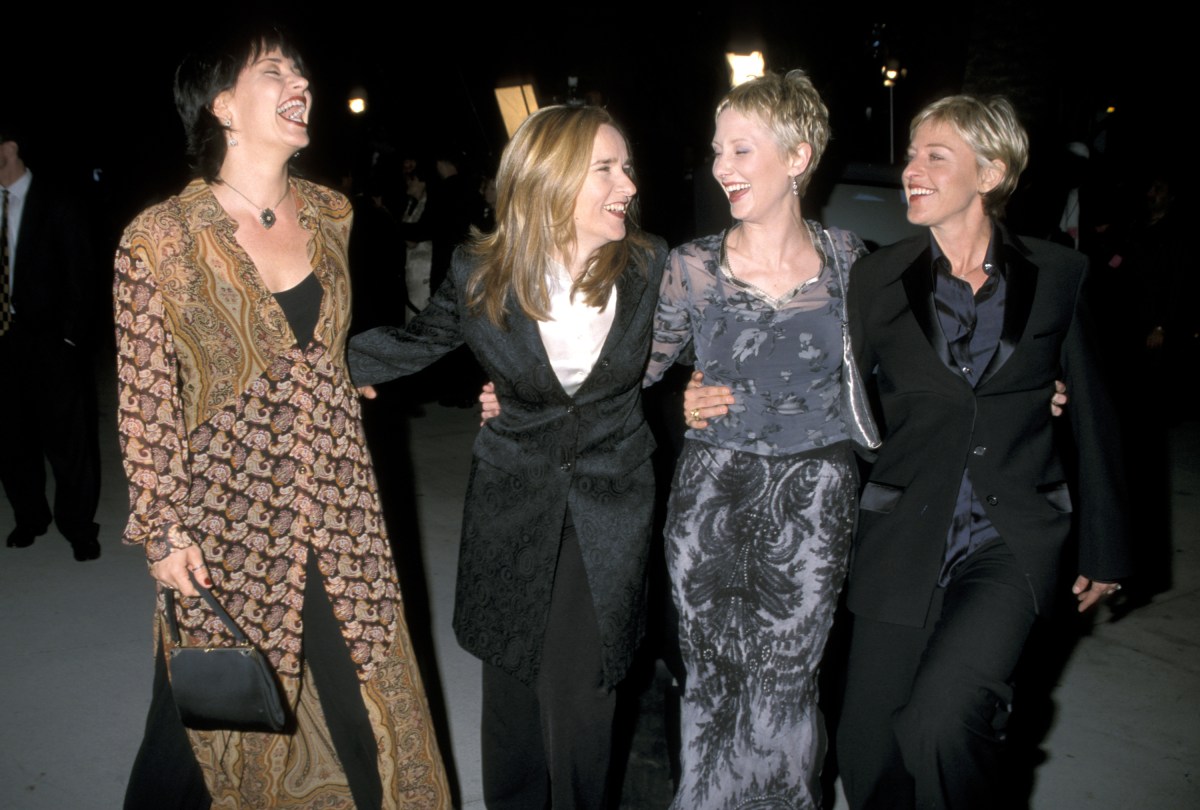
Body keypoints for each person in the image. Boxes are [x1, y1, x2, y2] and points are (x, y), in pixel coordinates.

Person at [114, 26, 449, 810]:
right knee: (207, 720)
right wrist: (163, 529)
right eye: (275, 70)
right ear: (224, 105)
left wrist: (335, 383)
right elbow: (146, 399)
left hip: (339, 500)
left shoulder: (332, 214)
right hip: (228, 516)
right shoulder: (158, 238)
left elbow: (323, 346)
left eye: (303, 70)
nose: (301, 81)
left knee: (371, 703)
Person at [349, 105, 667, 809]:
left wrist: (711, 390)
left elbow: (693, 348)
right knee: (515, 700)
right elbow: (415, 342)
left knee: (582, 703)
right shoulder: (479, 271)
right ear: (550, 179)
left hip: (611, 501)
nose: (629, 184)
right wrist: (314, 368)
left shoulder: (651, 265)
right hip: (513, 499)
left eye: (627, 166)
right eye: (607, 169)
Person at [834, 95, 1132, 810]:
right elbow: (839, 402)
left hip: (1009, 538)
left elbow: (1095, 412)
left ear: (992, 172)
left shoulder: (1060, 274)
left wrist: (1107, 548)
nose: (911, 170)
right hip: (903, 530)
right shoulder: (875, 279)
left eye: (936, 156)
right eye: (911, 155)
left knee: (943, 724)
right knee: (868, 753)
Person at [644, 70, 867, 810]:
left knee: (786, 687)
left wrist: (1026, 392)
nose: (721, 168)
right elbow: (627, 371)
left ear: (797, 157)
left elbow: (913, 372)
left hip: (814, 504)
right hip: (712, 497)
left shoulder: (851, 264)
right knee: (710, 684)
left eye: (741, 150)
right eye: (717, 151)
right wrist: (515, 393)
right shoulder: (693, 267)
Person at [0, 125, 101, 561]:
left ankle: (78, 526)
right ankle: (30, 518)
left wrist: (69, 338)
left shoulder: (56, 200)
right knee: (10, 438)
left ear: (9, 148)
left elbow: (83, 274)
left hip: (51, 343)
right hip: (2, 344)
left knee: (69, 442)